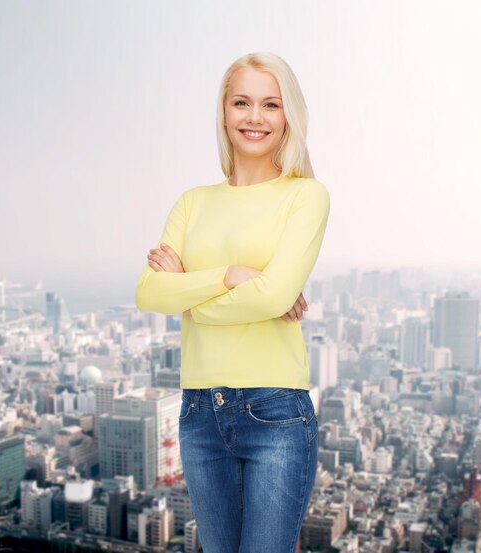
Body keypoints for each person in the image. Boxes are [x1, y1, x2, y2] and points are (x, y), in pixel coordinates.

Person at [135, 52, 330, 553]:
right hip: (200, 410)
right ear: (224, 112)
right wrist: (230, 277)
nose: (254, 117)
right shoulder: (192, 202)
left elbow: (276, 295)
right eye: (241, 102)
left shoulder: (305, 196)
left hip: (276, 410)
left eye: (270, 104)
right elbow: (149, 291)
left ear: (289, 116)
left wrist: (191, 294)